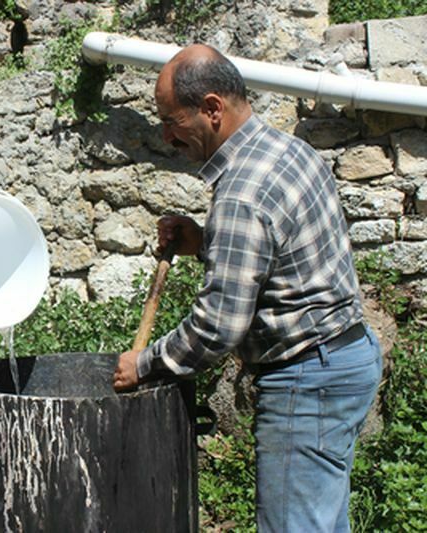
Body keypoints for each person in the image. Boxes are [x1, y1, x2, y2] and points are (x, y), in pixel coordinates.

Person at [113, 44, 382, 532]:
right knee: (320, 521)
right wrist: (205, 242)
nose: (166, 136)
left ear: (212, 108)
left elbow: (217, 327)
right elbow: (287, 254)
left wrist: (144, 363)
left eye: (172, 121)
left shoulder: (241, 192)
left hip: (307, 380)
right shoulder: (287, 149)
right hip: (347, 357)